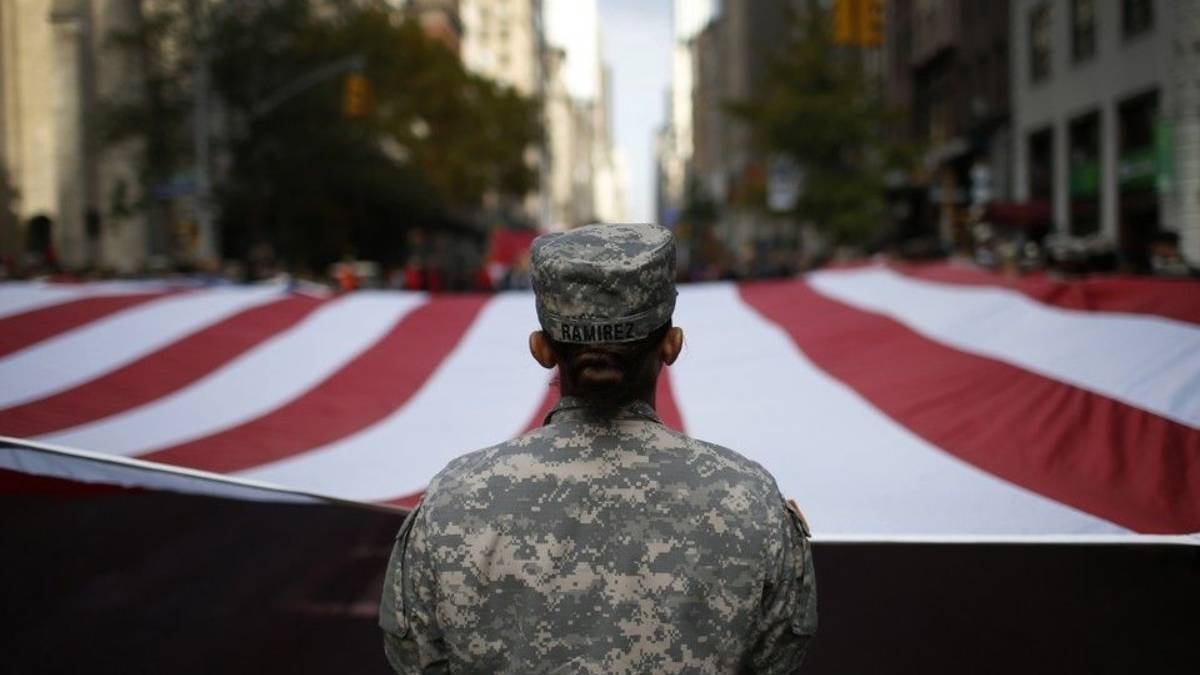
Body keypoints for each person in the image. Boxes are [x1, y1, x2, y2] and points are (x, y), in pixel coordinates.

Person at [380, 223, 817, 674]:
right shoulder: (749, 501)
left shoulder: (454, 499)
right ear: (672, 345)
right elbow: (777, 659)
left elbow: (415, 660)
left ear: (543, 349)